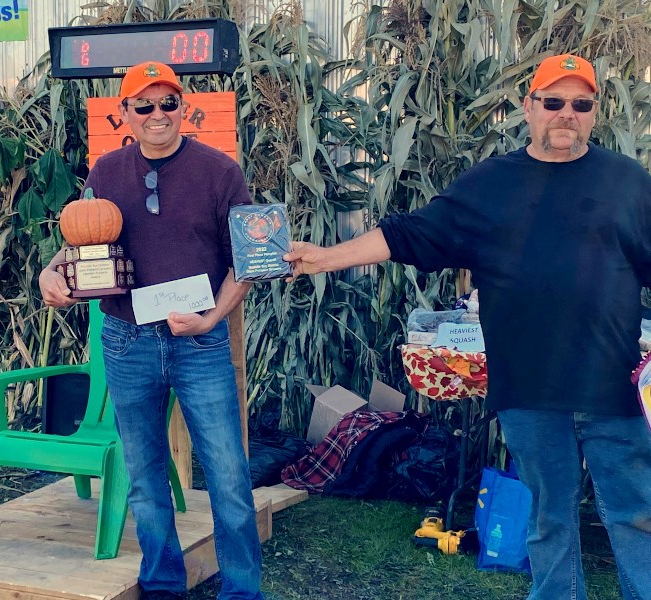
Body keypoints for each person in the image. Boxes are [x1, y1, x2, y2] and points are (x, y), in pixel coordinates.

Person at [285, 54, 651, 600]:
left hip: (616, 391)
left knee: (636, 517)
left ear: (595, 113)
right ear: (529, 107)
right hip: (529, 391)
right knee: (549, 520)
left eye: (581, 104)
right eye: (553, 102)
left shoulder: (628, 183)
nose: (566, 115)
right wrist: (323, 258)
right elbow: (409, 234)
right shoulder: (491, 184)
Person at [39, 61, 263, 600]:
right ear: (126, 115)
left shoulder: (219, 171)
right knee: (144, 476)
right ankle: (162, 585)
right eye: (145, 105)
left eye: (168, 103)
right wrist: (50, 272)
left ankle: (241, 591)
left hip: (199, 341)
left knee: (229, 477)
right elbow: (81, 244)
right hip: (126, 342)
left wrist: (212, 318)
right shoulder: (105, 173)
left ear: (184, 110)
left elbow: (252, 260)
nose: (157, 114)